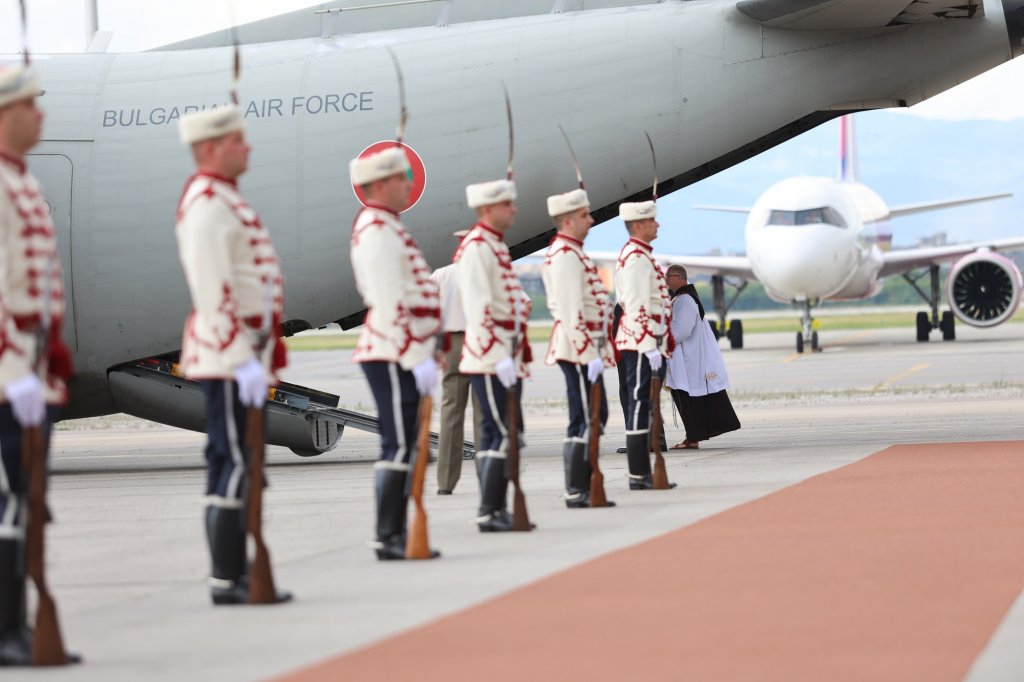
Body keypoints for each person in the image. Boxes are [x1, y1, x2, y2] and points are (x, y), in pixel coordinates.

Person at [175, 105, 292, 603]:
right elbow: (212, 287)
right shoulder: (207, 203)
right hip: (229, 357)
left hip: (244, 354)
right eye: (236, 140)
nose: (247, 147)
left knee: (243, 460)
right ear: (208, 148)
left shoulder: (225, 199)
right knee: (230, 460)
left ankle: (237, 572)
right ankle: (227, 577)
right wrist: (239, 355)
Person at [0, 64, 78, 665]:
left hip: (30, 374)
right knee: (8, 505)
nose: (41, 114)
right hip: (9, 378)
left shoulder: (20, 181)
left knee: (27, 502)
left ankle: (20, 627)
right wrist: (13, 373)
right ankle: (6, 633)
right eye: (31, 105)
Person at [349, 146, 441, 560]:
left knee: (405, 443)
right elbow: (389, 300)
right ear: (380, 184)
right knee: (400, 443)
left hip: (399, 349)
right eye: (402, 178)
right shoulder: (378, 230)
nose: (409, 184)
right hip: (391, 350)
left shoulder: (388, 226)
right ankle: (389, 535)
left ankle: (395, 533)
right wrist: (413, 355)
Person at [455, 178, 531, 531]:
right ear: (487, 209)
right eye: (506, 204)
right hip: (489, 358)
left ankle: (496, 508)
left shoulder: (494, 246)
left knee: (503, 431)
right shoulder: (477, 248)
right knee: (498, 431)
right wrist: (499, 354)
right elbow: (479, 307)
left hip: (502, 356)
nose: (513, 210)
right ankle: (489, 510)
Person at [542, 188, 614, 508]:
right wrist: (589, 356)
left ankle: (583, 482)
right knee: (583, 416)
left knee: (594, 414)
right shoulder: (565, 255)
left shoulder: (573, 252)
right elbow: (572, 312)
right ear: (569, 220)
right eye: (585, 215)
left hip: (583, 349)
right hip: (576, 351)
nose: (592, 219)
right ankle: (576, 488)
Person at [614, 201, 675, 490]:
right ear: (638, 225)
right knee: (640, 405)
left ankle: (642, 473)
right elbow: (637, 305)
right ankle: (638, 474)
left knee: (644, 404)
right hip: (641, 342)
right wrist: (649, 344)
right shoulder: (637, 258)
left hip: (646, 340)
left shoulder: (641, 255)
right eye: (652, 221)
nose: (658, 225)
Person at [666, 267, 741, 447]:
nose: (665, 281)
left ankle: (693, 438)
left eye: (667, 277)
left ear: (678, 278)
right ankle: (692, 437)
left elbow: (682, 330)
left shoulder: (684, 300)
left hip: (689, 360)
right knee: (688, 399)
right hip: (687, 358)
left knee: (690, 399)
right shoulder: (682, 299)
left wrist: (658, 340)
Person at [430, 242, 483, 496]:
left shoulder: (442, 274)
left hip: (451, 343)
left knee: (451, 411)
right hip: (478, 340)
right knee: (483, 411)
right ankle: (487, 474)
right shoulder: (482, 272)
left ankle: (445, 482)